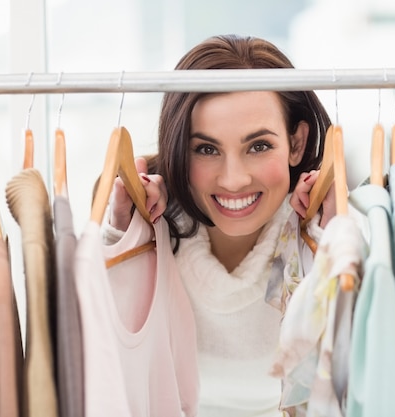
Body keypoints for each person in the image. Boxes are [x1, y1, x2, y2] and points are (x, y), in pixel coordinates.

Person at [105, 34, 334, 417]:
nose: (233, 180)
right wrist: (125, 244)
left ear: (297, 143)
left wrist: (331, 248)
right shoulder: (146, 233)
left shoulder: (322, 241)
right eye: (206, 149)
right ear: (180, 149)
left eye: (258, 146)